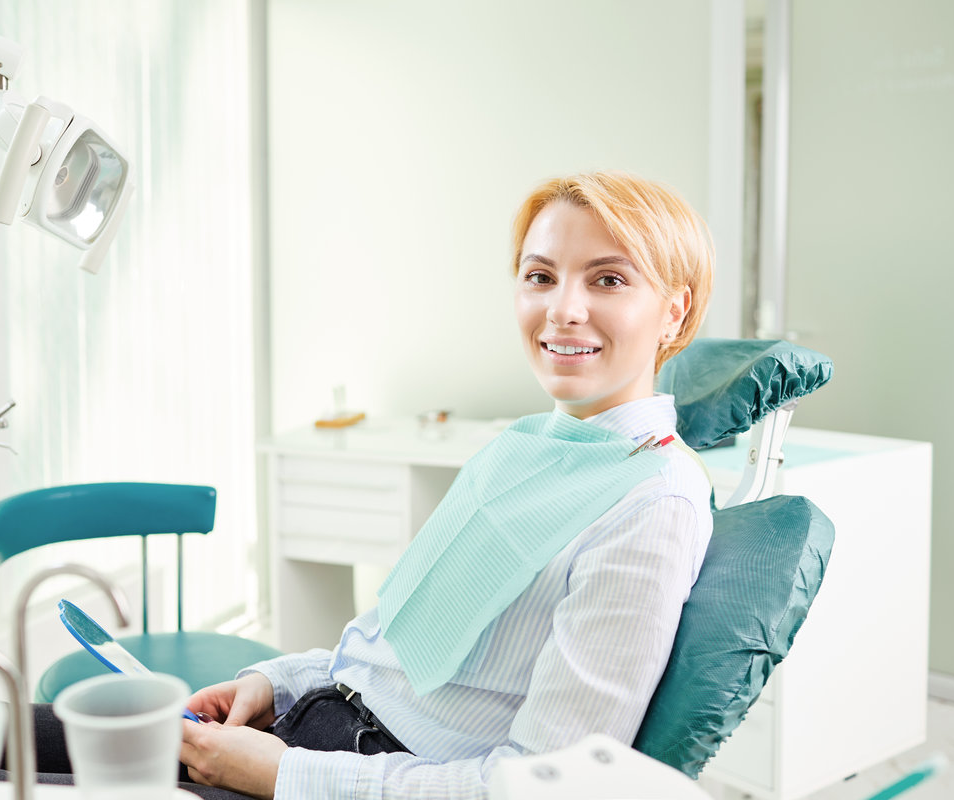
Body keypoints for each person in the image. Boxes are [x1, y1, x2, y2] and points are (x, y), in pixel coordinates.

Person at [175, 170, 716, 800]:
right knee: (69, 748)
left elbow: (540, 788)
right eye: (540, 276)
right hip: (314, 725)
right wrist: (280, 683)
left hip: (351, 774)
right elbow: (398, 646)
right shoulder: (527, 447)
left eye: (609, 280)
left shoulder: (653, 502)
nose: (562, 310)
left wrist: (281, 774)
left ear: (673, 312)